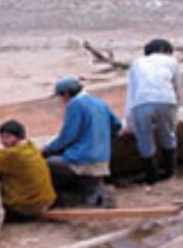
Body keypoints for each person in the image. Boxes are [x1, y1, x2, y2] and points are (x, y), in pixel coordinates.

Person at [42, 76, 123, 207]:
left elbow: (68, 136)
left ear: (67, 94)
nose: (62, 101)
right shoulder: (99, 102)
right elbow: (117, 125)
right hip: (102, 158)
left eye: (61, 97)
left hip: (83, 159)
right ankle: (95, 198)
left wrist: (47, 149)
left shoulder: (75, 104)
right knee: (91, 186)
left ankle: (59, 201)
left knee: (47, 163)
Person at [120, 38, 183, 184]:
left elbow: (131, 92)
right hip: (166, 100)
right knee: (168, 136)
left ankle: (152, 178)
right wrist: (177, 110)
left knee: (144, 140)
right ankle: (170, 173)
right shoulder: (172, 62)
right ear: (165, 50)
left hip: (141, 103)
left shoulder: (136, 63)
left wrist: (129, 121)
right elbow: (178, 87)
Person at [0, 119, 57, 218]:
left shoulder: (13, 154)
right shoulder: (31, 147)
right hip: (46, 201)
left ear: (18, 137)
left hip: (26, 207)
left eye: (7, 137)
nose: (3, 141)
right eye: (2, 137)